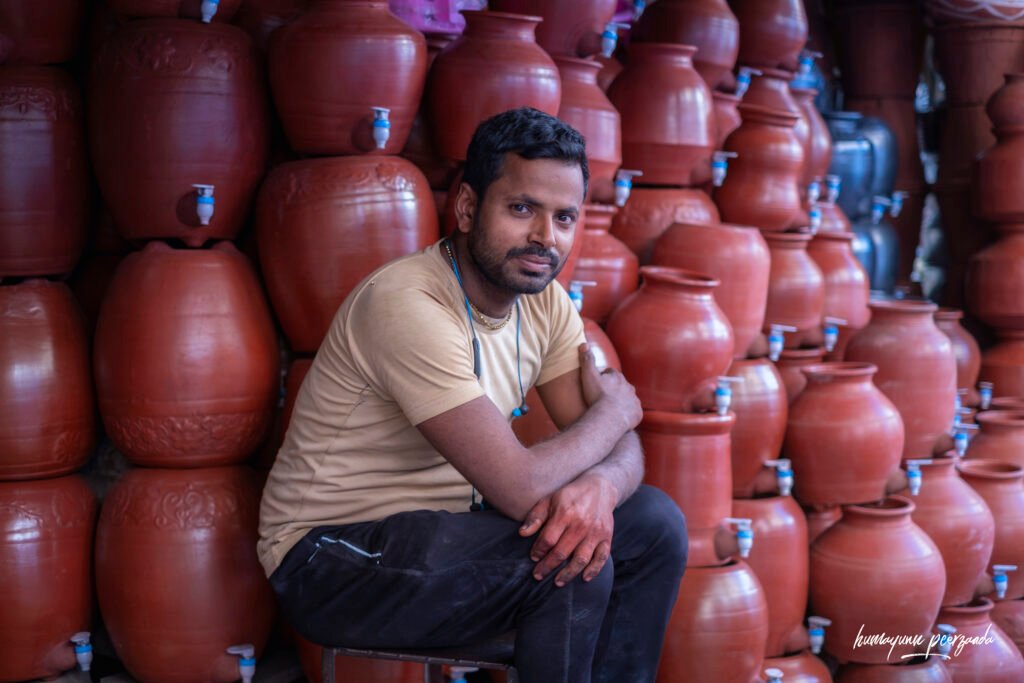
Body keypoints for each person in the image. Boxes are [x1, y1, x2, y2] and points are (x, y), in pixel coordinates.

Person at [258, 107, 687, 682]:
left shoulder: (545, 301)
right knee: (564, 564)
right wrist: (615, 410)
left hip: (448, 531)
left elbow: (623, 453)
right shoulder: (408, 304)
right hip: (328, 558)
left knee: (655, 525)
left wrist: (600, 488)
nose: (545, 237)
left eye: (564, 217)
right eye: (521, 208)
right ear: (466, 208)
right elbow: (521, 487)